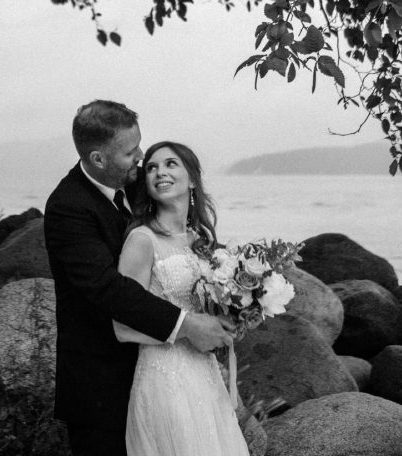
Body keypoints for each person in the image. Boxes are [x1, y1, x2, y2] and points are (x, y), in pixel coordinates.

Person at [44, 101, 234, 456]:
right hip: (101, 384)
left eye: (139, 145)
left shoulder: (134, 186)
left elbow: (177, 240)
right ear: (99, 159)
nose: (141, 158)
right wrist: (189, 325)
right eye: (131, 152)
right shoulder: (68, 207)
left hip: (166, 374)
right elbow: (109, 288)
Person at [114, 140, 249, 456]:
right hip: (165, 381)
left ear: (192, 179)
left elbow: (210, 308)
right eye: (151, 167)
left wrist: (232, 321)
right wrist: (188, 331)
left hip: (207, 377)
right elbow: (121, 325)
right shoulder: (141, 240)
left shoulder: (202, 242)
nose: (159, 171)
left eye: (170, 164)